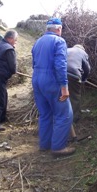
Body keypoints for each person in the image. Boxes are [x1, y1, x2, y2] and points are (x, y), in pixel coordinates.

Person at [31, 18, 75, 157]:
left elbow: (33, 63)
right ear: (59, 29)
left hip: (37, 79)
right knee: (64, 114)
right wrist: (64, 86)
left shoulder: (38, 42)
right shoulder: (59, 41)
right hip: (51, 80)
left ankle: (45, 145)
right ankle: (58, 148)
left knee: (45, 114)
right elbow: (60, 65)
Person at [67, 44, 91, 123]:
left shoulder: (66, 50)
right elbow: (87, 69)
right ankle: (74, 118)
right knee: (74, 96)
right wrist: (83, 79)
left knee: (60, 96)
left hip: (58, 74)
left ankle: (60, 117)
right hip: (73, 75)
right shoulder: (83, 53)